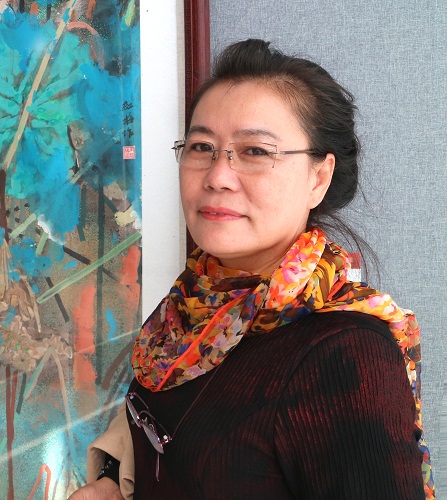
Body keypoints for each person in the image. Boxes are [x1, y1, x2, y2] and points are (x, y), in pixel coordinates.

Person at [70, 39, 434, 499]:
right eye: (202, 146)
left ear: (318, 177)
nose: (217, 176)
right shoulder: (189, 309)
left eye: (256, 151)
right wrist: (110, 482)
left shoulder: (342, 355)